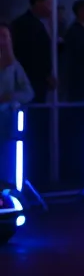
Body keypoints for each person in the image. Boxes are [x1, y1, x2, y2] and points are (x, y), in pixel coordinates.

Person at [0, 23, 34, 184]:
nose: (3, 41)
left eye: (5, 36)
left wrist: (11, 97)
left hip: (6, 119)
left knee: (6, 155)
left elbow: (28, 92)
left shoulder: (13, 65)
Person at [10, 0, 55, 103]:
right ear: (38, 3)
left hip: (38, 80)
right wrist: (45, 75)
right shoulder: (24, 24)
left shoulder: (44, 23)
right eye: (48, 3)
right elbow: (30, 54)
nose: (51, 7)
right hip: (31, 80)